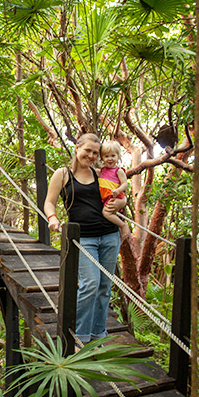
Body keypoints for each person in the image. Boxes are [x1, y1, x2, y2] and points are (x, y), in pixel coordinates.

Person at [43, 133, 126, 345]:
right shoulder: (63, 174)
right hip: (83, 238)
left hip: (109, 236)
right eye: (87, 150)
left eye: (95, 153)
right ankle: (78, 338)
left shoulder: (100, 174)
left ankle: (98, 335)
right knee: (90, 284)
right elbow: (49, 202)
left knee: (104, 286)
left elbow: (117, 198)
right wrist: (53, 219)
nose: (90, 155)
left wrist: (120, 205)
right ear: (77, 148)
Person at [98, 140, 130, 240]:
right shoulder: (102, 170)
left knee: (106, 213)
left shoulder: (118, 170)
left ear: (118, 156)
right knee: (109, 213)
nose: (110, 159)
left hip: (116, 196)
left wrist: (118, 190)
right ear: (102, 158)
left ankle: (123, 225)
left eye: (113, 155)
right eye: (106, 156)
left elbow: (125, 183)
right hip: (107, 197)